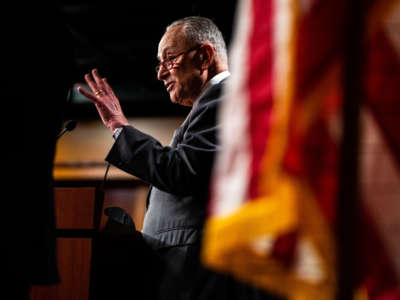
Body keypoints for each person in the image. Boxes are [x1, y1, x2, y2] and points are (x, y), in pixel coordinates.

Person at [79, 16, 283, 300]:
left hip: (195, 271)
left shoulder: (224, 97)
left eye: (169, 59)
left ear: (204, 56)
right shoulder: (213, 104)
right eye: (159, 64)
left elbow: (183, 171)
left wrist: (119, 128)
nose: (161, 73)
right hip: (182, 268)